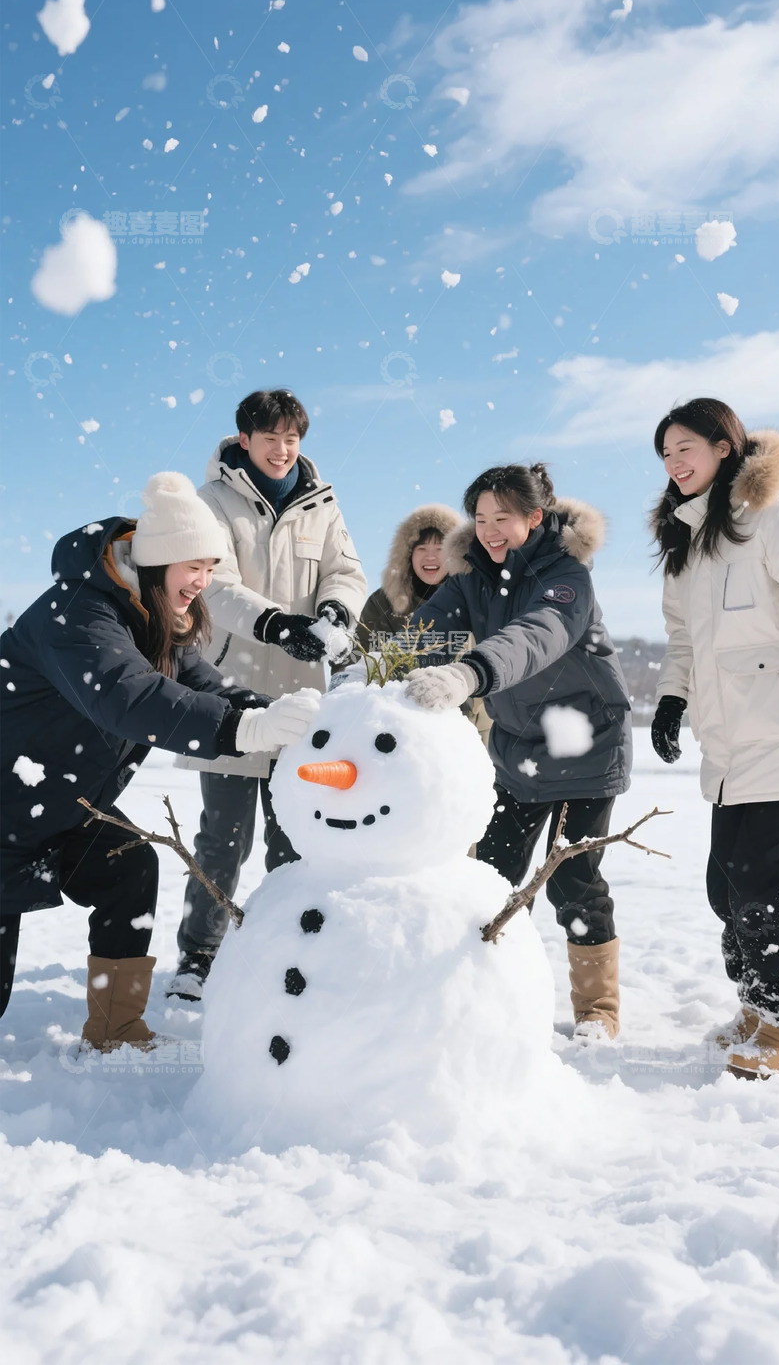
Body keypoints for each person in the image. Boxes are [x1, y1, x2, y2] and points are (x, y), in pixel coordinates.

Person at [0, 472, 320, 1049]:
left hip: (66, 811)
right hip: (7, 810)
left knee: (128, 865)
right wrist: (241, 729)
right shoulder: (77, 613)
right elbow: (129, 697)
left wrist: (294, 721)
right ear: (158, 562)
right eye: (193, 566)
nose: (203, 582)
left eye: (210, 567)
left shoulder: (149, 619)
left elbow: (209, 686)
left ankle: (116, 1031)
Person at [404, 463, 632, 1041]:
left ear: (534, 517)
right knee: (492, 880)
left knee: (573, 880)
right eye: (480, 518)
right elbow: (424, 632)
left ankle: (597, 1009)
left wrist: (471, 673)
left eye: (502, 518)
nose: (489, 530)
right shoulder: (472, 575)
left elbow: (537, 634)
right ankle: (490, 996)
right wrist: (373, 667)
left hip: (583, 746)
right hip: (517, 750)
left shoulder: (566, 576)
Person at [170, 388, 366, 1000]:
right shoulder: (211, 503)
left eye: (293, 439)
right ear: (244, 439)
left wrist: (335, 611)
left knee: (297, 839)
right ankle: (199, 957)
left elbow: (346, 570)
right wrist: (278, 624)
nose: (283, 450)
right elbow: (213, 585)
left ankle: (289, 952)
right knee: (223, 841)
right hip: (229, 694)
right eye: (271, 437)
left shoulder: (322, 504)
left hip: (304, 705)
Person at [650, 402, 779, 1078]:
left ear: (723, 446)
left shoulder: (772, 516)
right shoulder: (687, 541)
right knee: (726, 887)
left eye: (685, 447)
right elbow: (684, 639)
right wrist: (672, 697)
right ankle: (758, 1006)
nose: (675, 462)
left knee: (762, 884)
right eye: (665, 454)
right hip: (729, 747)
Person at [355, 504, 460, 651]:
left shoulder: (471, 600)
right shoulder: (383, 603)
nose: (430, 557)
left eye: (440, 549)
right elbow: (356, 660)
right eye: (422, 549)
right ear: (408, 555)